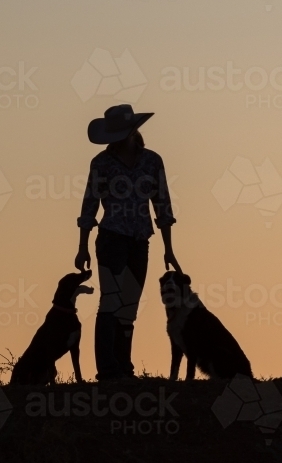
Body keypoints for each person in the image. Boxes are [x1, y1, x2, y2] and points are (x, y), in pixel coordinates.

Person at [75, 104, 181, 381]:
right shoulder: (101, 163)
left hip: (139, 240)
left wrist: (169, 248)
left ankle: (124, 367)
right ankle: (108, 370)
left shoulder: (152, 161)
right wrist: (82, 245)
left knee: (129, 306)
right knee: (110, 301)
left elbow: (163, 205)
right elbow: (90, 205)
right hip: (111, 238)